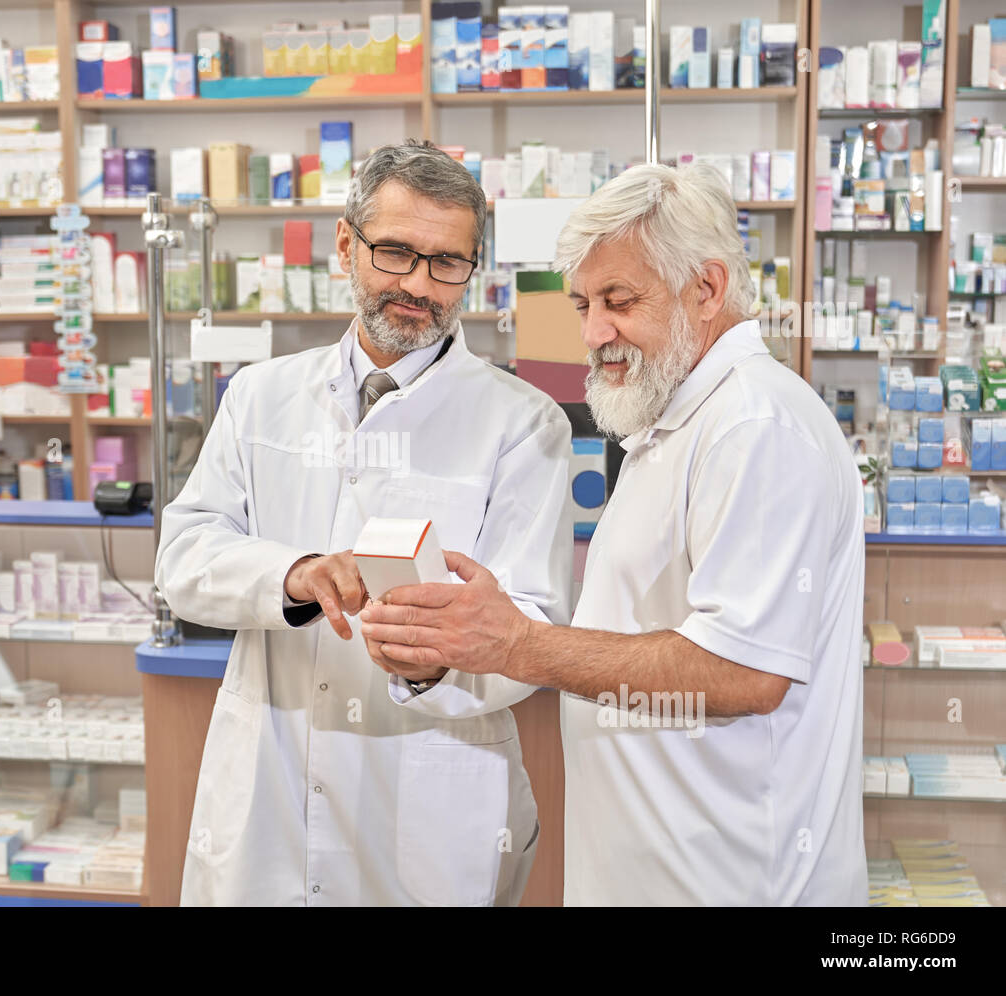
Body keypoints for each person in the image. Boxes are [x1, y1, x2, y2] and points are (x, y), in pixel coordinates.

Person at [359, 163, 867, 906]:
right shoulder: (670, 420)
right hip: (664, 872)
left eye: (619, 301)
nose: (594, 333)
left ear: (706, 288)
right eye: (583, 304)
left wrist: (518, 643)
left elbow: (746, 674)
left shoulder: (755, 426)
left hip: (737, 880)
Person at [154, 140, 575, 906]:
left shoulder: (524, 425)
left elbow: (536, 625)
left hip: (427, 804)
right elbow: (184, 557)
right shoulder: (260, 396)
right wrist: (294, 573)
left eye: (447, 262)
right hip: (269, 790)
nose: (419, 284)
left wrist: (435, 664)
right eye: (395, 252)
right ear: (345, 244)